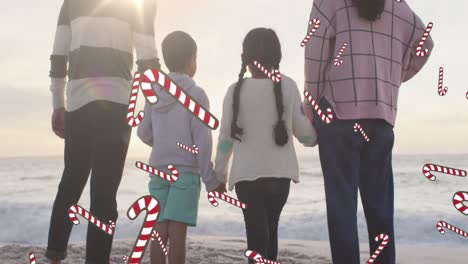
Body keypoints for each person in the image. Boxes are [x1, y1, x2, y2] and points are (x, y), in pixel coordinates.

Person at [303, 0, 434, 263]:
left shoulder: (329, 2)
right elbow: (425, 43)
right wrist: (393, 76)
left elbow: (315, 54)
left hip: (339, 116)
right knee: (380, 211)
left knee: (342, 208)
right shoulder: (399, 7)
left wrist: (312, 105)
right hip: (381, 117)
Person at [46, 0, 160, 263]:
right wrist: (158, 108)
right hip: (117, 105)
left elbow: (58, 55)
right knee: (104, 191)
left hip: (78, 103)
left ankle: (53, 255)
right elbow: (147, 59)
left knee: (71, 181)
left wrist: (58, 104)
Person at [213, 28, 318, 264]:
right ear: (276, 57)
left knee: (257, 235)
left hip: (246, 179)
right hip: (280, 177)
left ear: (246, 59)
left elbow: (225, 139)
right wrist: (318, 134)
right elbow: (306, 135)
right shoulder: (288, 86)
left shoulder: (235, 91)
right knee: (270, 229)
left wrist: (219, 175)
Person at [137, 31, 226, 264]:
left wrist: (162, 143)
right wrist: (211, 181)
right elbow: (203, 143)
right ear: (191, 60)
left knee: (159, 232)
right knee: (177, 235)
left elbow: (143, 132)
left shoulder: (153, 93)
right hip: (185, 173)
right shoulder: (197, 95)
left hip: (158, 170)